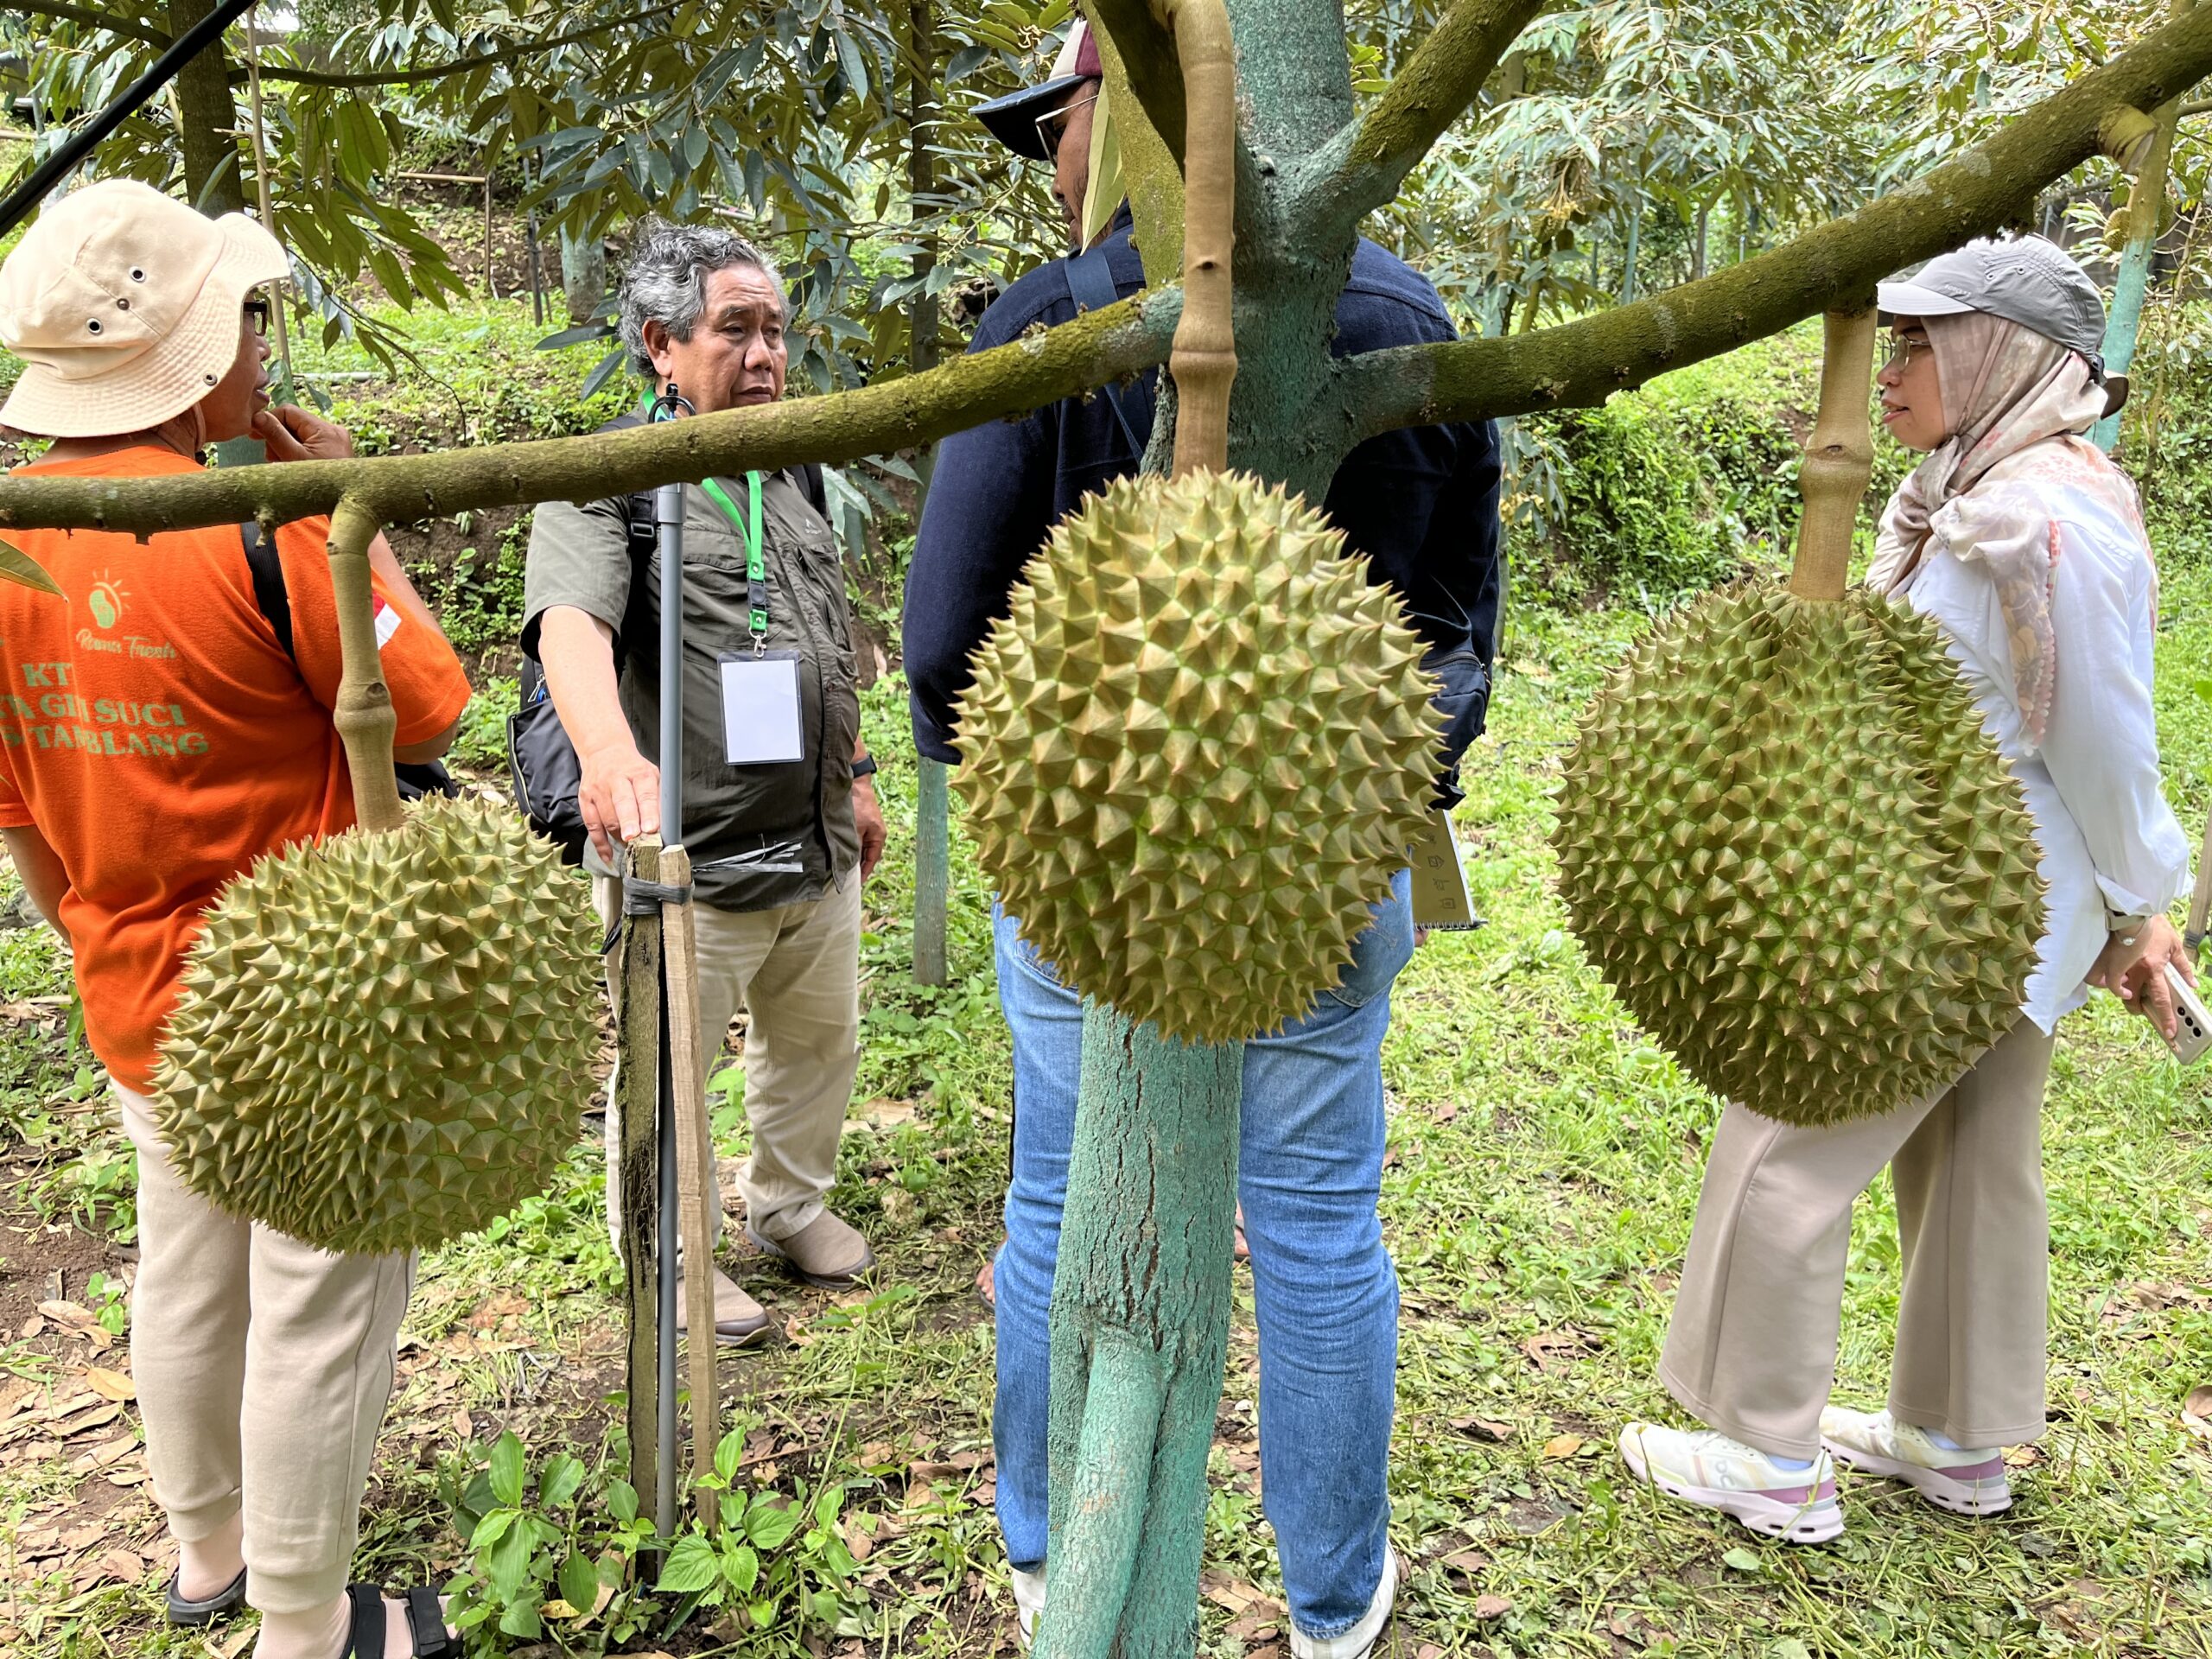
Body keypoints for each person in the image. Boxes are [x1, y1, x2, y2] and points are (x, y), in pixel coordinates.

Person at [911, 24, 1504, 1659]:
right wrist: (1370, 780)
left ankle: (1044, 1550)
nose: (1053, 154)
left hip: (1091, 871)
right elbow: (1458, 621)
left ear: (1134, 117)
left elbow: (945, 631)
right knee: (1318, 1218)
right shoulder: (1409, 321)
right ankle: (1334, 1604)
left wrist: (1052, 785)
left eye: (1064, 117)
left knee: (1054, 1200)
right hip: (1330, 856)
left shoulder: (1053, 323)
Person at [1620, 235, 2195, 1542]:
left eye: (1925, 342)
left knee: (1786, 1143)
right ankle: (1959, 1438)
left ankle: (1766, 1450)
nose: (1893, 369)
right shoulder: (1977, 486)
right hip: (1983, 897)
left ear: (2001, 356)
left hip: (1947, 908)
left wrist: (2142, 900)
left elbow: (2104, 738)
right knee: (1977, 1154)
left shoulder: (2040, 517)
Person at [0, 180, 472, 1657]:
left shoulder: (10, 545)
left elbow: (18, 813)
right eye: (247, 316)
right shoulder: (264, 524)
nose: (261, 341)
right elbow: (433, 708)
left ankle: (206, 1552)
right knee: (317, 1309)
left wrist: (96, 937)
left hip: (136, 983)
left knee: (186, 1277)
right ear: (207, 349)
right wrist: (358, 522)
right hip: (311, 999)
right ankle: (304, 1625)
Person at [522, 220, 885, 1349]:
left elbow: (827, 630)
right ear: (660, 346)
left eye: (777, 330)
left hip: (814, 841)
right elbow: (570, 628)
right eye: (738, 330)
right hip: (689, 853)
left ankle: (786, 1205)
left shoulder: (795, 469)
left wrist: (861, 773)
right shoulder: (608, 477)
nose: (768, 354)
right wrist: (608, 754)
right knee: (667, 1069)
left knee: (819, 1045)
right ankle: (671, 1260)